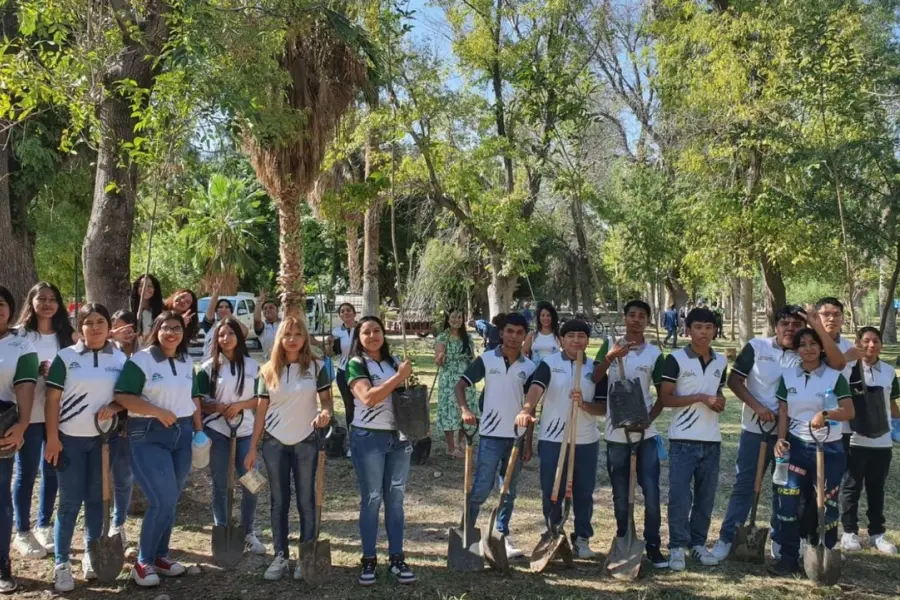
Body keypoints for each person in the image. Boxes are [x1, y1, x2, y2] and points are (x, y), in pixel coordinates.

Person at [710, 304, 844, 562]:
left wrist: (816, 324)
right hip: (755, 430)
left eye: (796, 325)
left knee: (784, 488)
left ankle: (781, 539)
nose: (791, 329)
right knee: (744, 486)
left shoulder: (807, 350)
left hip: (791, 436)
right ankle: (728, 538)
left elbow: (838, 363)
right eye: (785, 324)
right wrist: (758, 407)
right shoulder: (757, 347)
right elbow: (735, 381)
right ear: (776, 326)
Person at [113, 311, 203, 587]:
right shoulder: (142, 360)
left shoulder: (188, 361)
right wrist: (155, 411)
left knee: (171, 499)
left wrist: (199, 430)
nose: (171, 333)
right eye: (165, 328)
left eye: (177, 328)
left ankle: (161, 556)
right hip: (148, 434)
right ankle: (142, 562)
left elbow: (194, 397)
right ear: (156, 330)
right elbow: (123, 396)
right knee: (161, 499)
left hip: (183, 434)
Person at [44, 303, 127, 592]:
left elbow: (127, 396)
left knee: (97, 499)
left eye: (100, 321)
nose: (95, 327)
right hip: (70, 441)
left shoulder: (119, 358)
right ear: (80, 327)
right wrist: (52, 438)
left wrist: (113, 406)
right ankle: (62, 563)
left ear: (108, 326)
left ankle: (92, 555)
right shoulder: (65, 357)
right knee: (68, 503)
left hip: (106, 441)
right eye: (88, 322)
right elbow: (52, 399)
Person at [515, 319, 604, 559]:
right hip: (553, 438)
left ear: (588, 340)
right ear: (561, 340)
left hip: (586, 440)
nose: (576, 340)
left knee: (584, 492)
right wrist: (526, 409)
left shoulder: (594, 369)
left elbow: (603, 408)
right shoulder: (548, 364)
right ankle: (554, 532)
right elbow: (536, 389)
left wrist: (584, 404)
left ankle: (583, 538)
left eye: (582, 336)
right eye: (571, 336)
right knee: (552, 490)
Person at [769, 327, 854, 576]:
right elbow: (783, 412)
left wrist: (825, 414)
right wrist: (780, 440)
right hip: (795, 448)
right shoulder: (788, 377)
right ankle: (788, 558)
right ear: (796, 350)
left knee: (826, 504)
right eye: (802, 344)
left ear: (821, 347)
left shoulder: (834, 377)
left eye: (813, 343)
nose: (808, 348)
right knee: (787, 502)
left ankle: (824, 556)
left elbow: (849, 411)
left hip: (829, 449)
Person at [253, 317, 332, 580]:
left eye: (298, 334)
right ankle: (280, 556)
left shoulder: (318, 367)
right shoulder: (266, 371)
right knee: (279, 501)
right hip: (274, 443)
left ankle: (306, 555)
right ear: (280, 339)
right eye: (288, 334)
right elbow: (261, 411)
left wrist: (325, 415)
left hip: (306, 441)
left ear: (305, 337)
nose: (293, 339)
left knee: (306, 501)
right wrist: (253, 447)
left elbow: (327, 404)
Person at [593, 300, 668, 569]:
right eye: (632, 315)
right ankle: (623, 536)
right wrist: (611, 356)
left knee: (650, 490)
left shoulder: (654, 354)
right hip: (616, 433)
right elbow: (595, 376)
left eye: (641, 316)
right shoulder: (610, 343)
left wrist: (649, 419)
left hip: (645, 434)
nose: (636, 320)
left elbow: (663, 395)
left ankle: (653, 544)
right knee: (620, 491)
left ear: (647, 321)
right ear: (624, 318)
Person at [457, 312, 534, 559]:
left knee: (509, 491)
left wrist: (529, 441)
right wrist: (465, 409)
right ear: (502, 333)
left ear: (525, 336)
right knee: (481, 487)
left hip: (517, 438)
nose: (513, 337)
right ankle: (466, 531)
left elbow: (531, 406)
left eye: (519, 333)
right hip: (490, 434)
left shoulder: (530, 367)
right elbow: (461, 385)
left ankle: (501, 535)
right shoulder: (487, 360)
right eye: (509, 331)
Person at [345, 316, 416, 586]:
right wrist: (398, 378)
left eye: (377, 330)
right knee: (372, 499)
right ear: (358, 337)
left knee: (395, 500)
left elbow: (407, 393)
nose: (373, 335)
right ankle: (369, 559)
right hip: (368, 439)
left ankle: (397, 558)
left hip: (399, 437)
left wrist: (406, 378)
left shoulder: (393, 361)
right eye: (366, 332)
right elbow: (368, 398)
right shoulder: (356, 364)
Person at [659, 307, 728, 571]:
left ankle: (698, 544)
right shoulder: (675, 359)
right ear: (688, 330)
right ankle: (677, 546)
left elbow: (717, 392)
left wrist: (717, 402)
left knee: (706, 496)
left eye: (709, 328)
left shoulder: (721, 361)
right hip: (682, 440)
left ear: (714, 330)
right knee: (680, 496)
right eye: (698, 327)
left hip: (712, 439)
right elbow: (666, 398)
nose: (704, 332)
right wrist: (700, 398)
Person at [12, 281, 75, 558]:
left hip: (58, 415)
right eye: (42, 299)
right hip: (26, 415)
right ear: (32, 302)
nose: (48, 303)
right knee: (25, 473)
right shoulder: (19, 335)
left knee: (51, 470)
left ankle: (43, 525)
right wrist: (33, 369)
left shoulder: (68, 336)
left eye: (53, 298)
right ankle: (22, 532)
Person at [197, 317, 267, 561]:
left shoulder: (253, 366)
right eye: (220, 334)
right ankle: (223, 528)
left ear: (239, 336)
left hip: (245, 431)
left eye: (230, 333)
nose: (225, 338)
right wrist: (217, 406)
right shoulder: (208, 367)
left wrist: (240, 405)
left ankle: (248, 531)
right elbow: (199, 403)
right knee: (221, 484)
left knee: (252, 481)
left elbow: (261, 399)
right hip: (218, 431)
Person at [839, 327, 898, 555]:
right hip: (855, 439)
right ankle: (849, 532)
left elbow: (892, 406)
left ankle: (876, 534)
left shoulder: (890, 372)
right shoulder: (848, 371)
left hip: (882, 442)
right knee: (852, 487)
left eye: (875, 341)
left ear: (881, 345)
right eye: (866, 341)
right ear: (858, 344)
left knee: (877, 489)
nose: (871, 346)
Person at [0, 285, 38, 593]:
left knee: (1, 501)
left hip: (4, 428)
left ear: (11, 309)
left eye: (1, 304)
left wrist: (23, 424)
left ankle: (2, 565)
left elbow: (25, 385)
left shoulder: (21, 345)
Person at [108, 310, 139, 553]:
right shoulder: (106, 350)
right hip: (104, 422)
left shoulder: (143, 353)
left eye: (130, 327)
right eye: (120, 327)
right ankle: (100, 525)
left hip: (132, 424)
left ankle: (119, 524)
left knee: (124, 477)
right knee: (99, 477)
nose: (125, 331)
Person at [815, 298, 858, 455]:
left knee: (835, 473)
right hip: (807, 419)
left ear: (842, 319)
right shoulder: (808, 343)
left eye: (836, 314)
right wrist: (845, 358)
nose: (832, 318)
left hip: (841, 423)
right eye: (826, 314)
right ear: (816, 317)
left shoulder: (850, 347)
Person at [434, 309, 478, 458]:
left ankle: (460, 442)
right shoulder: (443, 337)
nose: (456, 320)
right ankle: (450, 446)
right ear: (448, 319)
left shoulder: (468, 337)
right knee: (449, 410)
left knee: (465, 409)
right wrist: (440, 357)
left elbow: (472, 357)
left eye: (459, 317)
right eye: (453, 317)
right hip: (449, 378)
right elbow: (438, 357)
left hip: (465, 377)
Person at [326, 302, 358, 444]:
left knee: (362, 402)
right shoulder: (336, 332)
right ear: (339, 315)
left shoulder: (362, 328)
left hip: (361, 370)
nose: (346, 313)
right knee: (349, 404)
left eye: (348, 310)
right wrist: (329, 344)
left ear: (354, 313)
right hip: (343, 371)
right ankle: (352, 437)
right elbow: (330, 354)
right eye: (343, 311)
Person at [252, 290, 281, 361]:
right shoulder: (263, 327)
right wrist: (259, 302)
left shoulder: (284, 324)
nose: (267, 310)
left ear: (277, 311)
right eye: (265, 308)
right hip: (270, 362)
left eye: (271, 307)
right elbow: (257, 319)